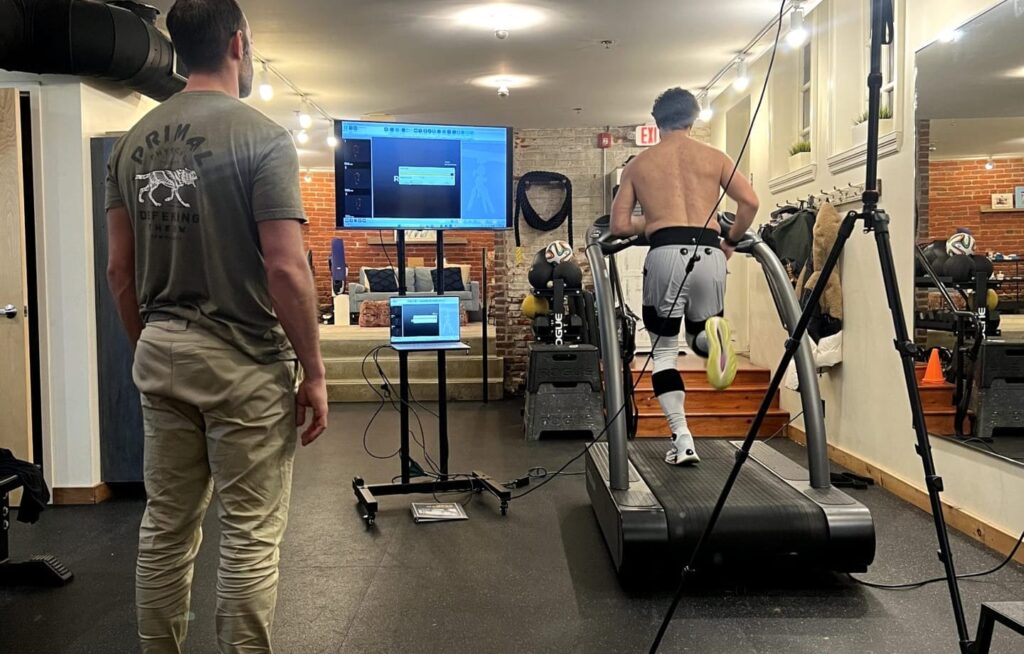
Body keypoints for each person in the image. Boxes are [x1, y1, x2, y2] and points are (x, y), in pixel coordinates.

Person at [104, 1, 329, 651]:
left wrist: (146, 346)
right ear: (239, 43)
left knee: (166, 529)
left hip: (162, 349)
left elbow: (120, 270)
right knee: (250, 536)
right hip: (243, 362)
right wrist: (313, 373)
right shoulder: (262, 137)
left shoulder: (130, 144)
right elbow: (287, 270)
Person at [610, 87, 759, 466]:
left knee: (662, 352)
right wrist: (731, 240)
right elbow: (750, 202)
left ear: (656, 122)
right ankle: (713, 339)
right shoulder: (715, 157)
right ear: (694, 120)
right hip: (710, 253)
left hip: (664, 254)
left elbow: (620, 224)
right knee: (699, 332)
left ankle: (683, 438)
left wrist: (654, 223)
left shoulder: (638, 165)